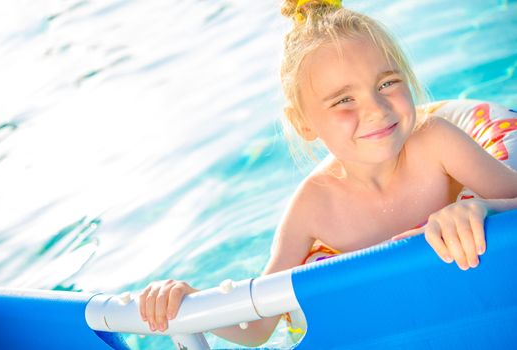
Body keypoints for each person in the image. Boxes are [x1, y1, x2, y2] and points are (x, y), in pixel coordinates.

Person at [139, 0, 517, 346]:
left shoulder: (436, 143)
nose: (375, 108)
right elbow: (258, 327)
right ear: (303, 123)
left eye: (387, 82)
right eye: (344, 100)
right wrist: (188, 302)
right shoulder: (312, 207)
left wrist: (483, 207)